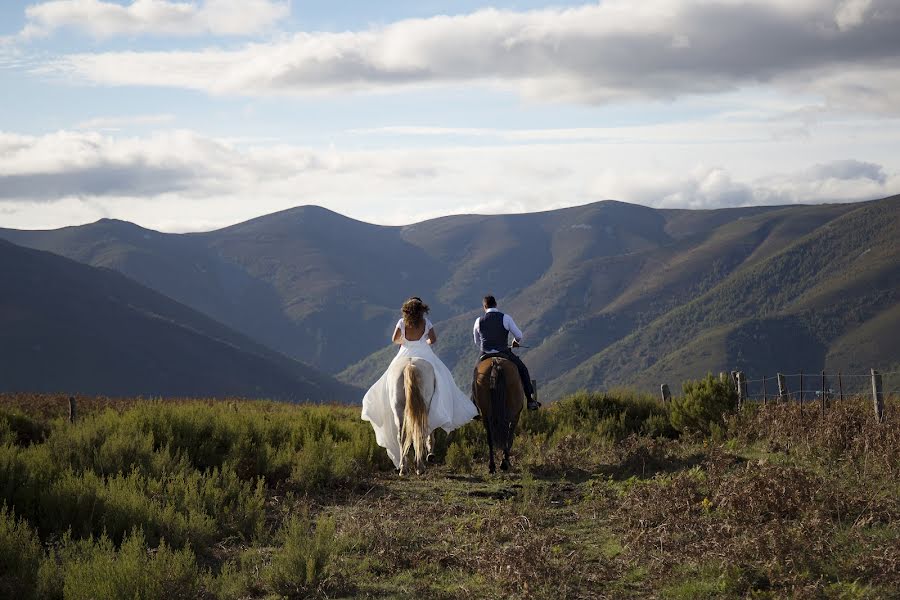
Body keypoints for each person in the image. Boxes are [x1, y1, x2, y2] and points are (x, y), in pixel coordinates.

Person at [361, 297, 478, 468]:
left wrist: (405, 341)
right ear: (421, 309)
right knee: (445, 378)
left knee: (386, 383)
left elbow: (395, 340)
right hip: (424, 354)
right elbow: (433, 340)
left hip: (404, 353)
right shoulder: (426, 322)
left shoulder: (401, 322)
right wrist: (424, 342)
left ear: (407, 310)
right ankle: (422, 454)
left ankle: (403, 462)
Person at [473, 295, 540, 410]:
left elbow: (477, 341)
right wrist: (514, 342)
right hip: (503, 352)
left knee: (475, 375)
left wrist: (486, 347)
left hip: (485, 352)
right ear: (496, 304)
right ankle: (530, 400)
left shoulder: (478, 321)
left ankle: (473, 405)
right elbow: (519, 335)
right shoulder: (506, 318)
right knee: (523, 369)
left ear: (484, 306)